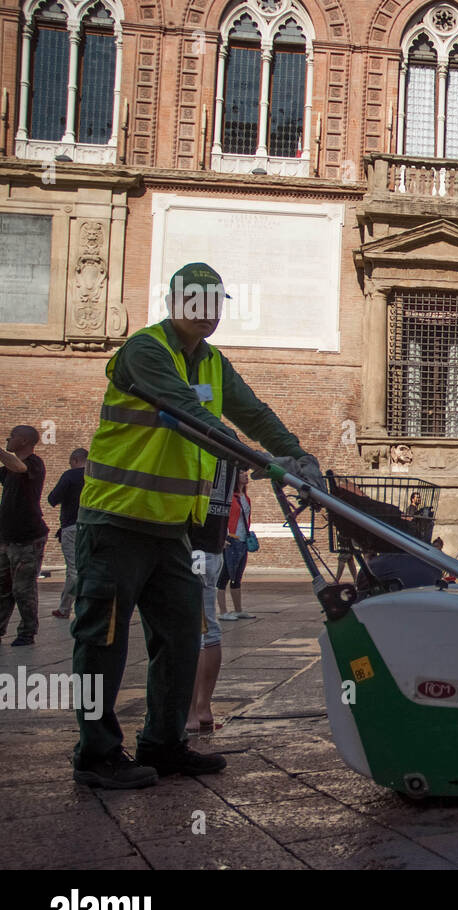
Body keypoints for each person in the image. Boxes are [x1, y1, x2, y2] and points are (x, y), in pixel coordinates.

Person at [72, 261, 325, 789]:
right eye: (195, 302)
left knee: (183, 636)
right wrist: (264, 463)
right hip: (117, 521)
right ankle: (96, 753)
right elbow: (189, 416)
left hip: (171, 532)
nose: (205, 314)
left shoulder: (212, 362)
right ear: (174, 302)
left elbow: (251, 412)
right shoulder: (145, 352)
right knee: (104, 639)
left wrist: (296, 454)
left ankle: (164, 744)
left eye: (214, 304)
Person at [187, 458, 236, 734]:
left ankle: (189, 712)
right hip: (214, 547)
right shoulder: (227, 441)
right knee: (209, 627)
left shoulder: (194, 434)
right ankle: (204, 708)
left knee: (190, 630)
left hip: (192, 545)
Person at [0, 425, 48, 646]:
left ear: (24, 441)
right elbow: (10, 467)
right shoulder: (8, 468)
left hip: (28, 537)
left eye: (12, 436)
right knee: (3, 587)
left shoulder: (34, 463)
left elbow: (19, 468)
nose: (8, 439)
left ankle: (27, 632)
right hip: (6, 538)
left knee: (23, 588)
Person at [46, 448, 87, 620]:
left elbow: (52, 498)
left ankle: (78, 608)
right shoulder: (95, 476)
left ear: (75, 460)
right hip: (90, 526)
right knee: (84, 566)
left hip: (71, 526)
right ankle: (65, 606)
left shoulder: (70, 476)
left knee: (73, 569)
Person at [217, 470, 254, 621]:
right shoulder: (231, 498)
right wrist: (223, 537)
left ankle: (238, 609)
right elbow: (223, 519)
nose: (246, 475)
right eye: (242, 473)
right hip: (231, 539)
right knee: (225, 575)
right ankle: (223, 611)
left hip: (243, 540)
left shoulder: (246, 498)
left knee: (237, 576)